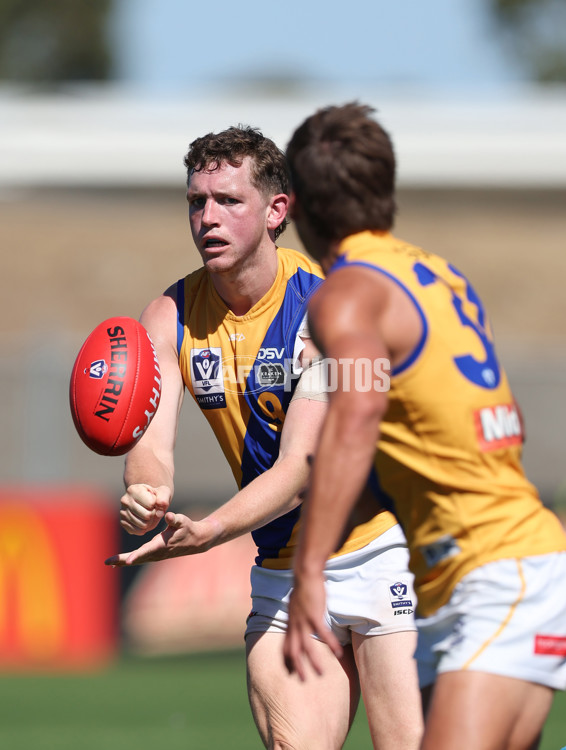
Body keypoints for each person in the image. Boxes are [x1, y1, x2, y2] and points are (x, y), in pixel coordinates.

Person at [105, 125, 423, 750]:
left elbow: (301, 470)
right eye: (197, 202)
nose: (208, 218)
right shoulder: (168, 316)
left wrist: (210, 532)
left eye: (228, 200)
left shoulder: (331, 305)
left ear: (277, 211)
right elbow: (150, 444)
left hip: (383, 552)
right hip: (284, 573)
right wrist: (145, 494)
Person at [282, 103, 566, 750]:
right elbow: (496, 421)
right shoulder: (438, 276)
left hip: (500, 572)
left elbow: (358, 408)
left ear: (299, 205)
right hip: (492, 571)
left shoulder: (347, 292)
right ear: (385, 189)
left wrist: (310, 567)